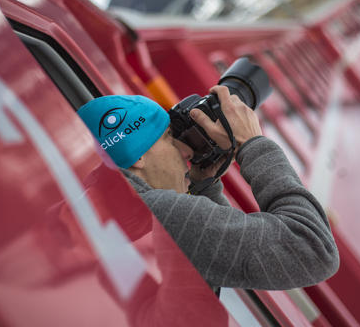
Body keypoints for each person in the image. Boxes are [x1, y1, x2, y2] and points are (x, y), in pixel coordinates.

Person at [77, 85, 339, 291]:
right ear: (137, 156)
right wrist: (253, 143)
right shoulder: (164, 212)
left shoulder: (110, 215)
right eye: (169, 139)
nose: (186, 150)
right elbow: (311, 249)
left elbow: (214, 255)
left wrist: (204, 185)